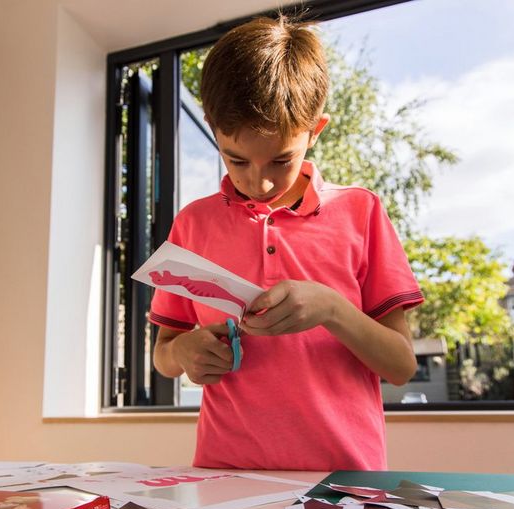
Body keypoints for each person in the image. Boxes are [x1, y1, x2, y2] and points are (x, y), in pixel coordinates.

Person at [148, 16, 424, 471]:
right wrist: (182, 352)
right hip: (224, 476)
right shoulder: (193, 224)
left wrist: (332, 309)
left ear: (316, 130)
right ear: (213, 128)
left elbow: (401, 366)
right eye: (236, 159)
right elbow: (164, 352)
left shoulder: (361, 212)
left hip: (342, 481)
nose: (259, 181)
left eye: (281, 160)